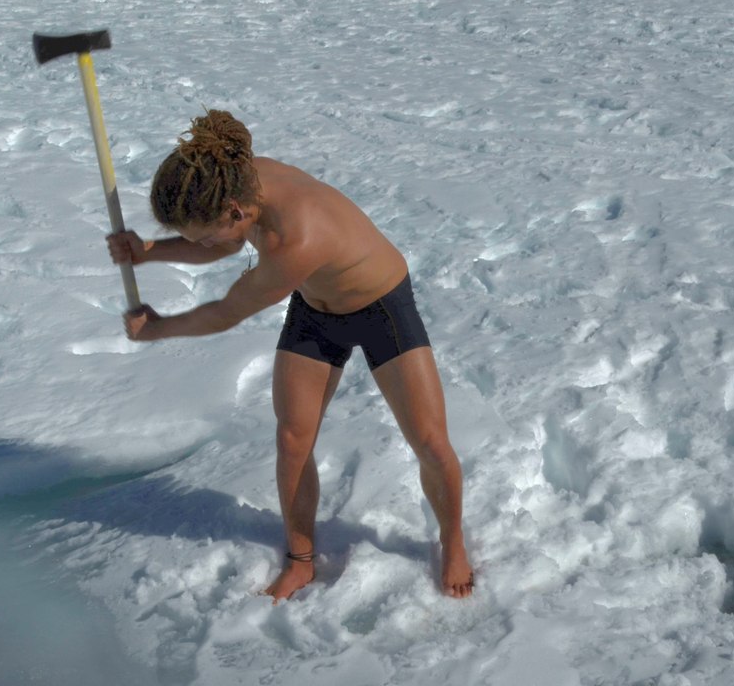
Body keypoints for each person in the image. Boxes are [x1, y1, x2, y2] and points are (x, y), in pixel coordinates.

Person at [106, 109, 474, 601]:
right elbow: (224, 244)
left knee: (429, 440)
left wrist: (158, 329)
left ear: (234, 211)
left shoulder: (296, 239)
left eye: (202, 233)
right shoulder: (238, 183)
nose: (202, 244)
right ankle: (301, 560)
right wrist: (148, 250)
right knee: (292, 438)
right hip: (316, 308)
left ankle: (453, 542)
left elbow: (226, 312)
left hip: (382, 306)